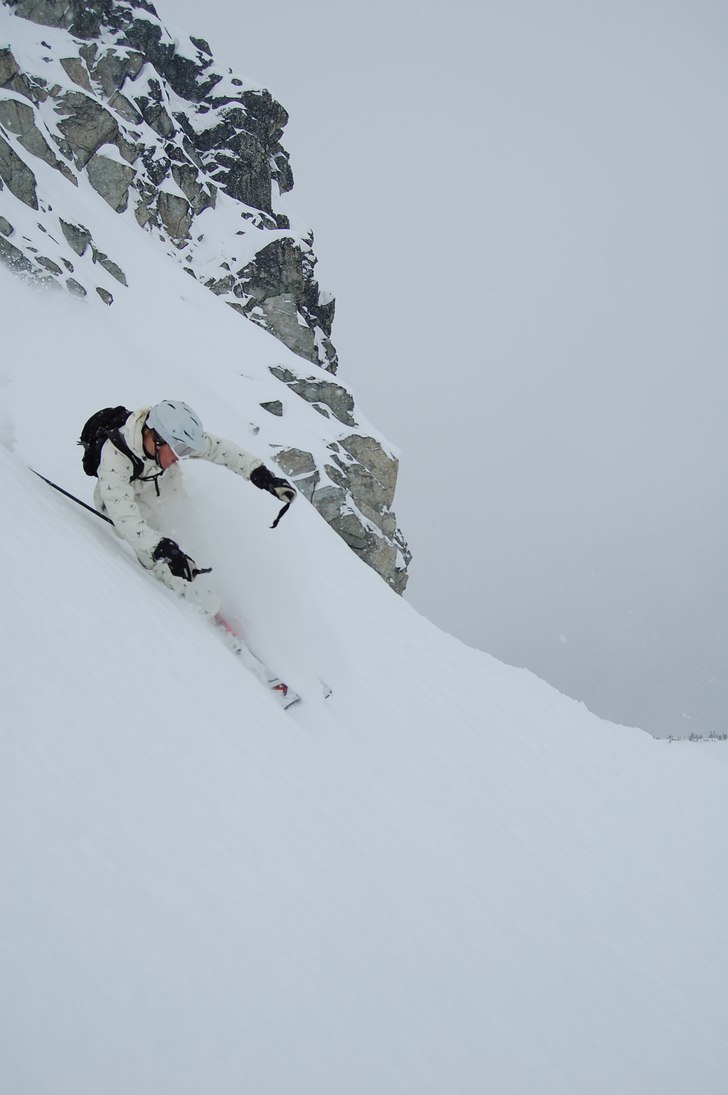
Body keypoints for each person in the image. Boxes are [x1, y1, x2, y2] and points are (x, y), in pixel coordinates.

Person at [94, 400, 296, 616]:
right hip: (123, 501)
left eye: (186, 450)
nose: (180, 457)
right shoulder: (114, 458)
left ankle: (209, 584)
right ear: (156, 437)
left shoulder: (170, 445)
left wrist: (261, 474)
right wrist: (160, 547)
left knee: (187, 533)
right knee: (156, 556)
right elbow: (126, 518)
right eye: (179, 450)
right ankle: (204, 605)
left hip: (163, 485)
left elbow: (220, 449)